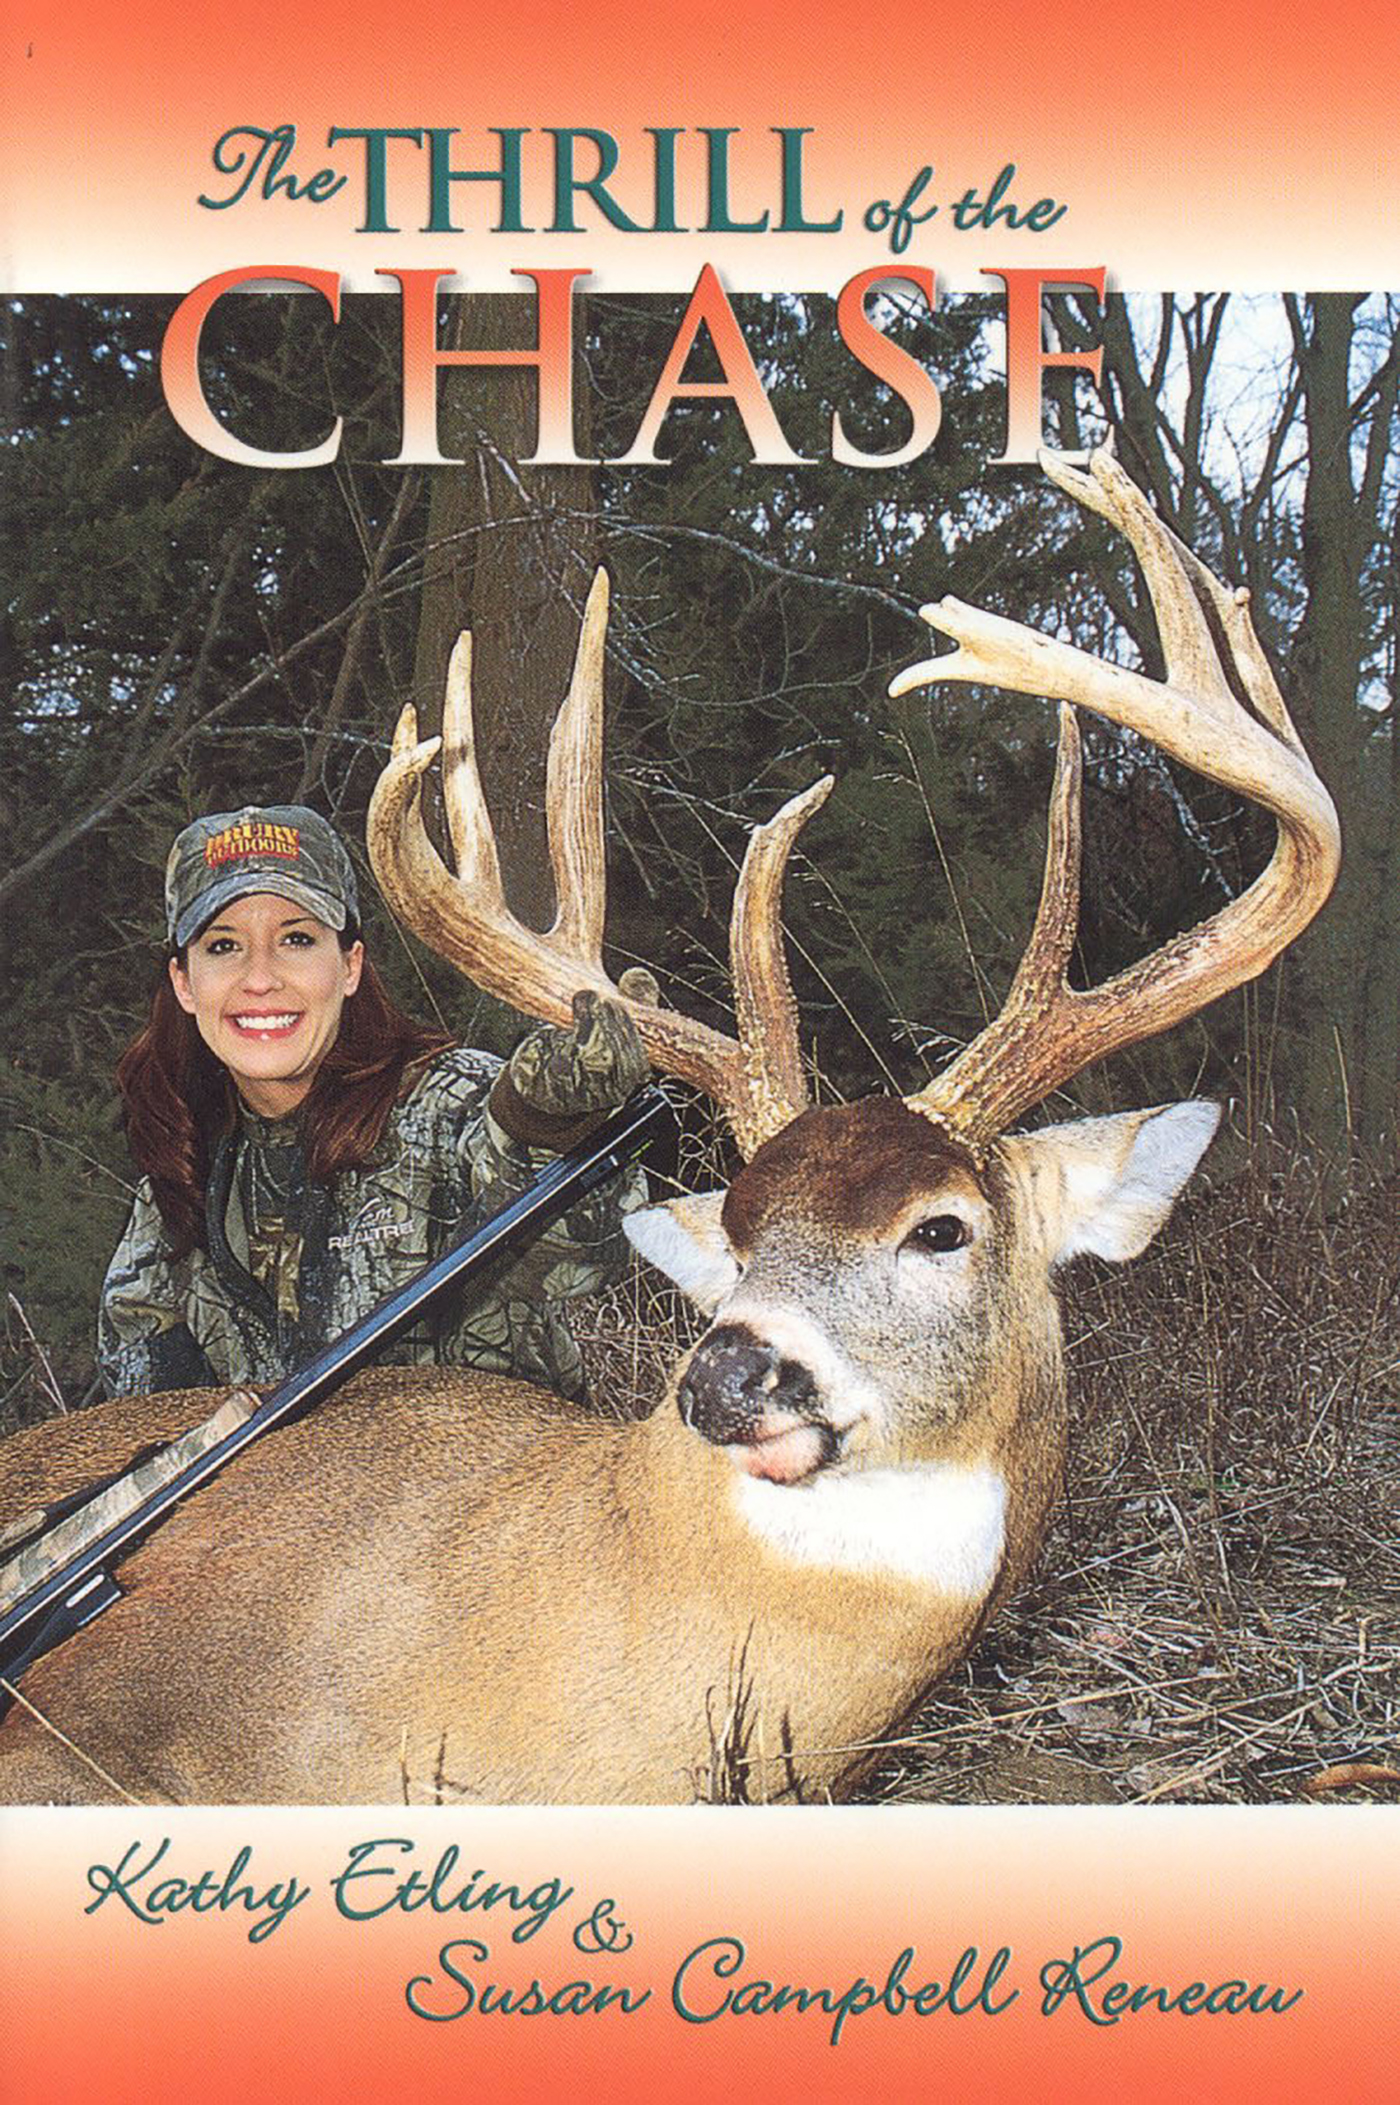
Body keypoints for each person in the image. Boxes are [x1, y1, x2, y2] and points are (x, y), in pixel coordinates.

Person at [98, 804, 649, 1401]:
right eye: (224, 946)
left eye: (296, 939)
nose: (259, 978)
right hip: (279, 1468)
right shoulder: (179, 1185)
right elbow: (143, 1405)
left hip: (488, 1458)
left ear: (350, 966)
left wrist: (546, 1122)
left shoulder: (452, 1105)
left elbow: (587, 1253)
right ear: (184, 982)